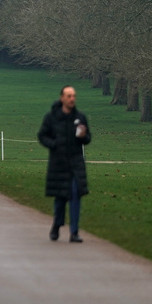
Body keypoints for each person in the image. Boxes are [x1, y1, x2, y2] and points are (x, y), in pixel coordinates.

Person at [38, 85, 92, 243]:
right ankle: (56, 225)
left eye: (74, 96)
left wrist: (83, 136)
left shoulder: (80, 117)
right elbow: (42, 136)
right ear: (62, 98)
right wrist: (54, 144)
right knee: (61, 198)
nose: (72, 99)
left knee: (76, 195)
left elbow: (88, 139)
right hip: (59, 164)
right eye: (69, 96)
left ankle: (74, 232)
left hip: (75, 164)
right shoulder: (51, 117)